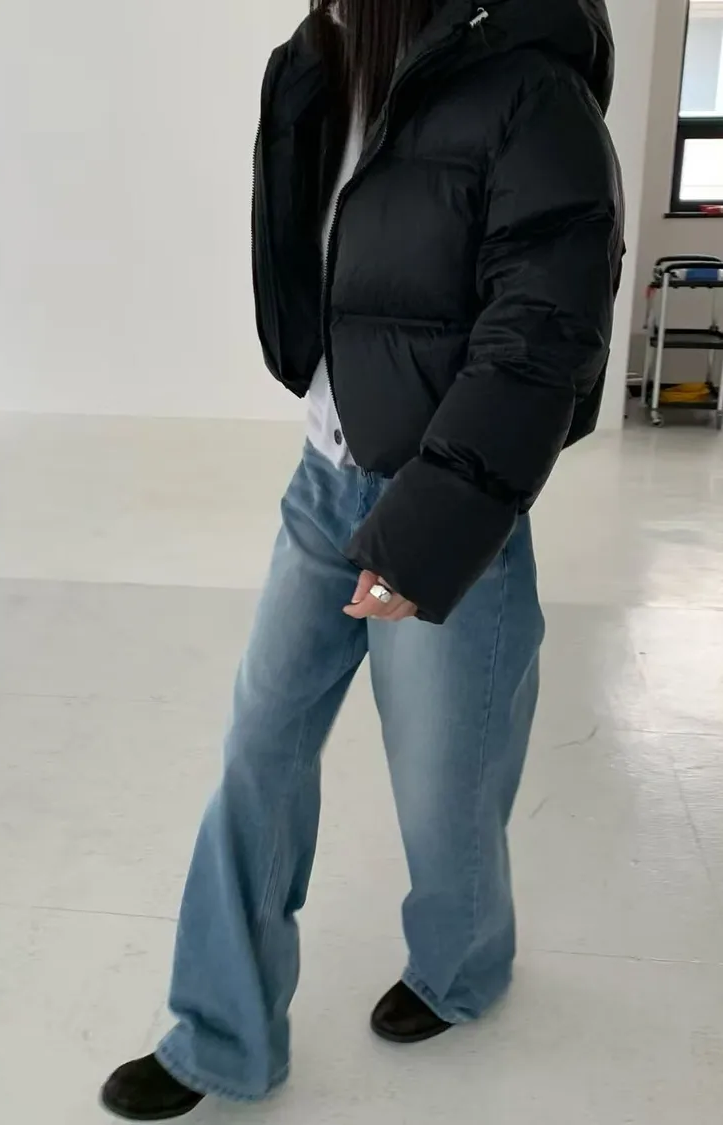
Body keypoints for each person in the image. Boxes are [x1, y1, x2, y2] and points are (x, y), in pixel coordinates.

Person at [100, 0, 624, 1118]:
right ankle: (222, 1035)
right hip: (323, 480)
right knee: (259, 748)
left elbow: (541, 334)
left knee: (446, 789)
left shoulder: (533, 92)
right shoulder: (322, 62)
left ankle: (462, 967)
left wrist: (425, 533)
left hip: (447, 500)